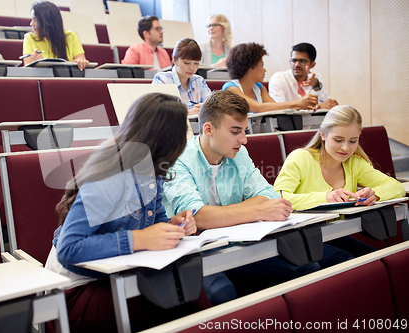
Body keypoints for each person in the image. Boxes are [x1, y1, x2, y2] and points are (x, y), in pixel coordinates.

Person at [163, 90, 354, 304]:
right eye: (236, 131)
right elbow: (198, 216)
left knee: (307, 268)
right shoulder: (177, 159)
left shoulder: (238, 153)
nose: (244, 140)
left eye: (244, 130)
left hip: (236, 244)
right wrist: (257, 211)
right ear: (208, 129)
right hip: (195, 253)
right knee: (220, 292)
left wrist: (225, 215)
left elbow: (267, 195)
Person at [45, 93, 211, 332]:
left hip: (119, 277)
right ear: (165, 139)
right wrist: (140, 239)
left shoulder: (152, 170)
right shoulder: (109, 178)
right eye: (183, 132)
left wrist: (173, 226)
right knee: (181, 301)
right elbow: (69, 249)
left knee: (188, 293)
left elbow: (154, 219)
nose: (188, 139)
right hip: (75, 291)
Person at [274, 105, 405, 256]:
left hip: (333, 234)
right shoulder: (301, 158)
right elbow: (278, 196)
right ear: (322, 134)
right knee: (351, 262)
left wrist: (374, 195)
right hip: (299, 237)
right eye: (338, 140)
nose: (346, 148)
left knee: (376, 258)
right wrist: (325, 198)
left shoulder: (354, 162)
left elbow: (396, 187)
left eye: (352, 141)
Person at [222, 43, 318, 113]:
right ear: (251, 67)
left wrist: (304, 105)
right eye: (262, 65)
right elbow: (258, 108)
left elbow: (277, 108)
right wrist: (298, 103)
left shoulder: (259, 88)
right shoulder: (231, 88)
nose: (264, 70)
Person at [269, 43, 338, 110]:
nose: (297, 65)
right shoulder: (279, 78)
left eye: (302, 61)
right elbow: (279, 109)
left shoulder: (316, 77)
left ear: (312, 65)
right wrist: (317, 107)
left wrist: (316, 85)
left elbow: (327, 105)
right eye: (294, 60)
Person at [152, 38, 211, 116]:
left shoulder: (199, 81)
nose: (192, 68)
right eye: (187, 63)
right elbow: (156, 111)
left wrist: (206, 109)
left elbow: (213, 107)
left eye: (196, 63)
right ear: (174, 60)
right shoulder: (162, 79)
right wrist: (186, 113)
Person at [22, 1, 89, 70]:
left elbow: (81, 60)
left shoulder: (71, 36)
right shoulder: (29, 37)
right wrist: (37, 63)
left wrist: (81, 62)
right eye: (32, 19)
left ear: (48, 21)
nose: (31, 24)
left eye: (35, 20)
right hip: (43, 79)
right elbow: (27, 70)